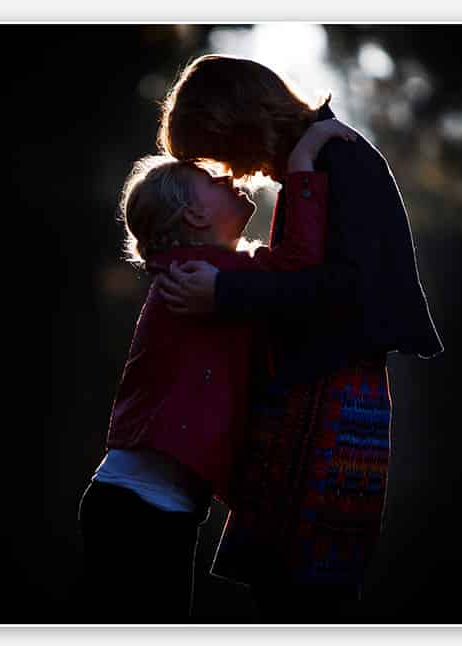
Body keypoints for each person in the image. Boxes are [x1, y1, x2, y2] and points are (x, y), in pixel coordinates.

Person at [154, 54, 443, 622]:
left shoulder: (340, 159)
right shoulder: (317, 161)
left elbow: (340, 292)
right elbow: (300, 272)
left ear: (233, 121)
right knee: (284, 589)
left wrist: (226, 294)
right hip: (310, 393)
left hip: (330, 397)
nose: (230, 172)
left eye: (215, 150)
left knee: (307, 595)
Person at [77, 118, 358, 623]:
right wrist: (301, 162)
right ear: (191, 213)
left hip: (164, 509)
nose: (231, 177)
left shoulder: (225, 275)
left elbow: (278, 281)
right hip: (134, 506)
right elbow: (297, 266)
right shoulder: (195, 275)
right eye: (213, 179)